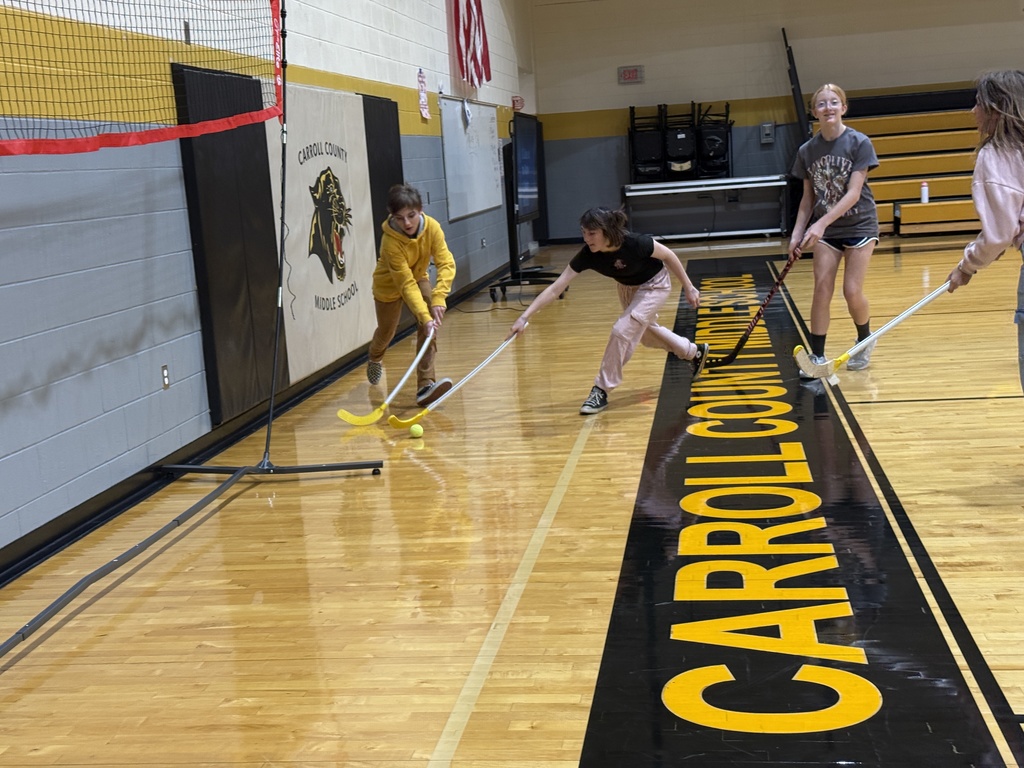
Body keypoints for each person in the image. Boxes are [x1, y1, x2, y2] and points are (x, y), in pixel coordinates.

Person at [507, 207, 708, 415]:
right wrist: (523, 317)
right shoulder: (588, 255)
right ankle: (693, 353)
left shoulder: (635, 243)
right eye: (584, 232)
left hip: (654, 285)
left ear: (607, 231)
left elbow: (669, 255)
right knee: (645, 336)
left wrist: (689, 286)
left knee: (622, 330)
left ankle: (601, 390)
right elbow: (556, 288)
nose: (586, 238)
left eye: (592, 233)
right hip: (627, 288)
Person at [789, 83, 880, 377]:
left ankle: (865, 339)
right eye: (822, 104)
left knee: (851, 290)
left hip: (860, 223)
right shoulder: (807, 151)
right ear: (814, 111)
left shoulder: (859, 143)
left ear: (844, 107)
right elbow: (808, 199)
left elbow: (853, 193)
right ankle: (817, 355)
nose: (828, 108)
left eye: (833, 102)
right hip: (826, 231)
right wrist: (796, 234)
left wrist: (820, 223)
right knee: (821, 288)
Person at [946, 69, 1024, 394]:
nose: (972, 112)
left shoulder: (995, 156)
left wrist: (966, 267)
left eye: (977, 104)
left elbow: (997, 235)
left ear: (995, 109)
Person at [368, 184, 456, 406]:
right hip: (389, 286)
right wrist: (425, 318)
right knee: (386, 332)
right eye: (399, 218)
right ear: (392, 216)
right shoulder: (389, 242)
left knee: (429, 328)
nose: (406, 223)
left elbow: (446, 263)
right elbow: (405, 284)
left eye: (411, 215)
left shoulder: (433, 228)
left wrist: (438, 299)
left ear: (420, 210)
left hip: (418, 277)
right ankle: (375, 357)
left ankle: (425, 384)